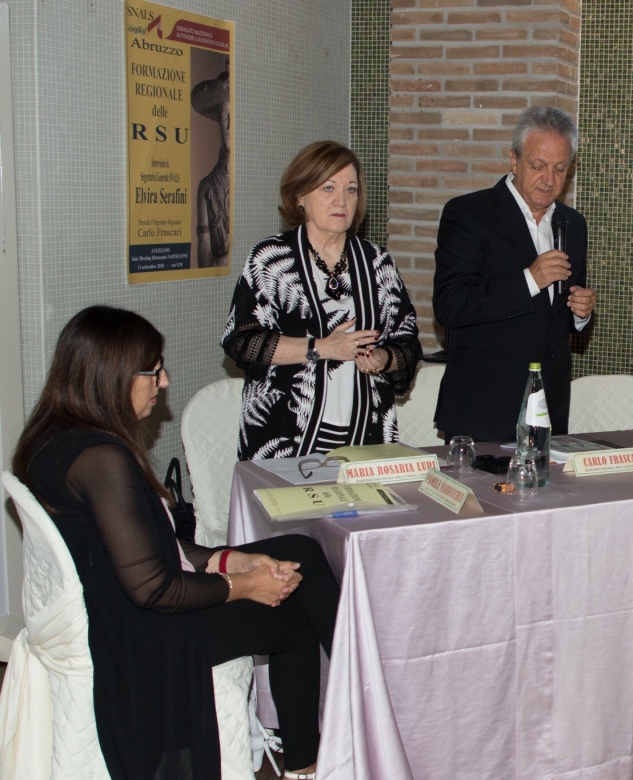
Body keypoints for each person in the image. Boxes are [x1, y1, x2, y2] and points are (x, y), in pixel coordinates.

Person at [12, 306, 339, 780]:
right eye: (153, 371)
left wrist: (231, 559)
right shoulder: (103, 459)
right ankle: (315, 755)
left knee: (300, 554)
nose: (163, 382)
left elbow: (146, 543)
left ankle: (354, 688)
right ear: (111, 376)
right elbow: (153, 587)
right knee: (291, 615)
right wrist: (245, 586)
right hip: (138, 634)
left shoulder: (53, 437)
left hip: (112, 607)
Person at [222, 141, 422, 460]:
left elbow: (408, 345)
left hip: (367, 437)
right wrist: (323, 348)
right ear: (300, 196)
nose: (341, 200)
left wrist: (383, 358)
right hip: (282, 439)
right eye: (328, 188)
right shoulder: (271, 258)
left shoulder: (378, 262)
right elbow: (242, 341)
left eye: (350, 189)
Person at [433, 106, 597, 441]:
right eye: (538, 166)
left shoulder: (573, 224)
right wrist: (530, 280)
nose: (549, 179)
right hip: (481, 413)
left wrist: (581, 314)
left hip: (549, 411)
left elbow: (556, 317)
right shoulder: (469, 214)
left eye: (560, 168)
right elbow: (450, 306)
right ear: (514, 160)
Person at [192, 69, 230, 268]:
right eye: (225, 118)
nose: (229, 128)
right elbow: (204, 258)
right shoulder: (207, 186)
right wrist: (222, 261)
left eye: (235, 119)